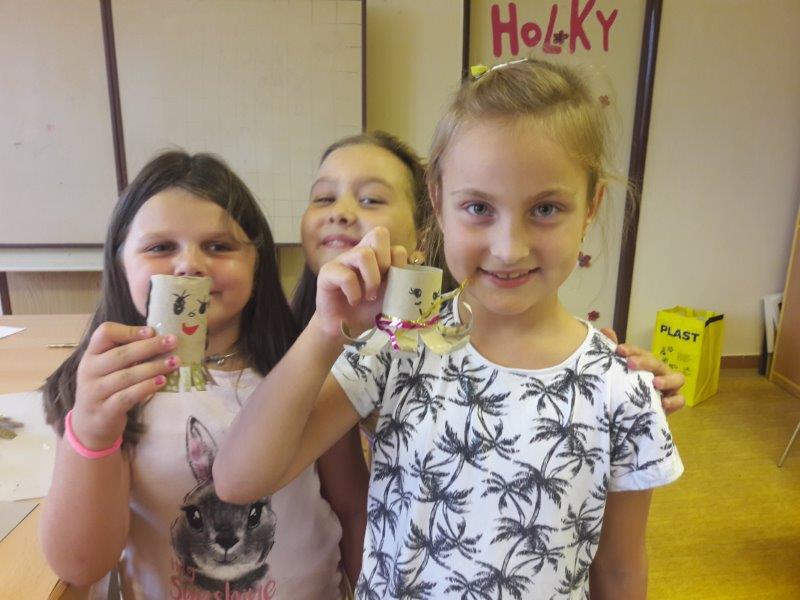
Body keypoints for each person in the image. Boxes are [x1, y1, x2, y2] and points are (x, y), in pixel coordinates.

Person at [213, 59, 684, 599]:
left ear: (591, 206)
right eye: (479, 207)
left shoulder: (620, 387)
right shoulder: (398, 345)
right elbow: (238, 480)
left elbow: (620, 569)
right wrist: (325, 331)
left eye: (546, 208)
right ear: (437, 202)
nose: (509, 248)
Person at [39, 151, 360, 599]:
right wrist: (93, 429)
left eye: (218, 246)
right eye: (160, 247)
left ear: (258, 262)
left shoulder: (304, 367)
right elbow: (80, 563)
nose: (190, 265)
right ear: (120, 262)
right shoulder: (108, 388)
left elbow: (351, 504)